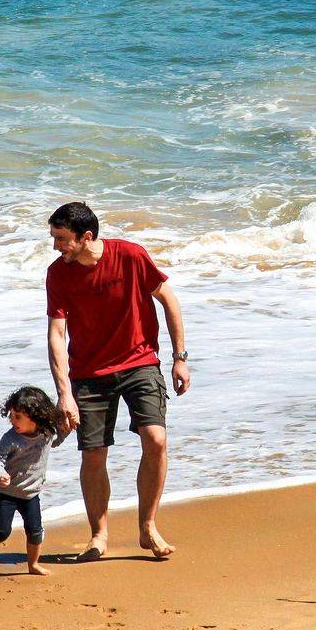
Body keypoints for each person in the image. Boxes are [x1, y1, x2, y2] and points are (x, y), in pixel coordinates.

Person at [45, 201, 190, 560]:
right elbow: (57, 333)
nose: (56, 246)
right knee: (94, 454)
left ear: (86, 237)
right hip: (88, 373)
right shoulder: (58, 274)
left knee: (156, 439)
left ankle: (148, 527)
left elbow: (169, 299)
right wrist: (64, 393)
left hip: (140, 362)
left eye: (61, 238)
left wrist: (180, 358)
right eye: (54, 238)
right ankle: (98, 535)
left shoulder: (130, 255)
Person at [0, 386, 63, 576]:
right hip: (6, 493)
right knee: (2, 532)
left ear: (36, 416)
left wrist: (70, 425)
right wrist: (0, 474)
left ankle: (33, 565)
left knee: (35, 532)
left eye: (18, 416)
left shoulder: (47, 433)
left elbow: (58, 437)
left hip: (31, 494)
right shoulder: (10, 438)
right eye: (11, 415)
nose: (12, 420)